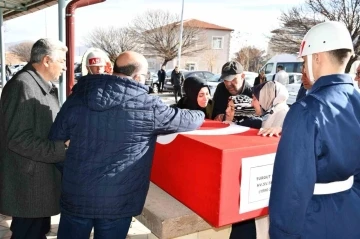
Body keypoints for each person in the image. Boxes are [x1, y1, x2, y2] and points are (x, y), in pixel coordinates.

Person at [49, 51, 205, 239]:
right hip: (117, 202)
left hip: (76, 194)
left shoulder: (78, 97)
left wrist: (70, 172)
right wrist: (201, 112)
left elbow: (55, 142)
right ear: (138, 76)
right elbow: (186, 120)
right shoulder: (148, 105)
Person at [269, 21, 360, 239]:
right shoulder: (357, 101)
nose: (304, 66)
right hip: (352, 212)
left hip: (314, 221)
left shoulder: (306, 110)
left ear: (316, 57)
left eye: (304, 59)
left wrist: (281, 233)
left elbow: (291, 190)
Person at [0, 38, 68, 239]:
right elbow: (18, 139)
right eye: (62, 61)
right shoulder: (23, 86)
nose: (65, 67)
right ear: (47, 60)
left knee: (34, 231)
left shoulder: (35, 84)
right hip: (28, 183)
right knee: (27, 232)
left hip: (37, 179)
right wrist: (61, 148)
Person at [228, 81, 289, 239]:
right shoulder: (271, 115)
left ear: (266, 98)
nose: (252, 102)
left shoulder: (283, 117)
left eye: (255, 98)